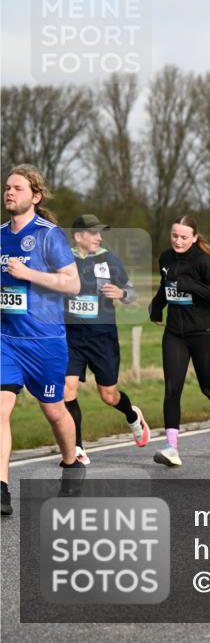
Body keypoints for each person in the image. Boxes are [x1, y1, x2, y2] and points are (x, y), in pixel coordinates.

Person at [1, 164, 83, 516]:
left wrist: (29, 273)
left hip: (46, 340)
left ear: (35, 196)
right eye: (7, 187)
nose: (9, 192)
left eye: (17, 188)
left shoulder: (50, 235)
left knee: (53, 410)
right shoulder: (0, 234)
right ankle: (2, 487)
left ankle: (71, 461)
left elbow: (73, 284)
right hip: (6, 339)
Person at [149, 216, 210, 466]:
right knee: (172, 388)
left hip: (202, 332)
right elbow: (166, 286)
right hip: (175, 333)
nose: (178, 241)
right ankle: (171, 447)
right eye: (175, 236)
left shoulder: (202, 261)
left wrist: (191, 285)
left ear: (194, 237)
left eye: (184, 237)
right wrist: (157, 307)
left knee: (208, 387)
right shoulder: (165, 258)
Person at [64, 214, 149, 465]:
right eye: (93, 233)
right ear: (78, 236)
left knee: (108, 396)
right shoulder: (64, 259)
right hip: (72, 337)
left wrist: (122, 293)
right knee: (67, 389)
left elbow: (132, 293)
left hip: (102, 338)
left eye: (100, 233)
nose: (99, 237)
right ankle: (77, 448)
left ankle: (133, 415)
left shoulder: (109, 259)